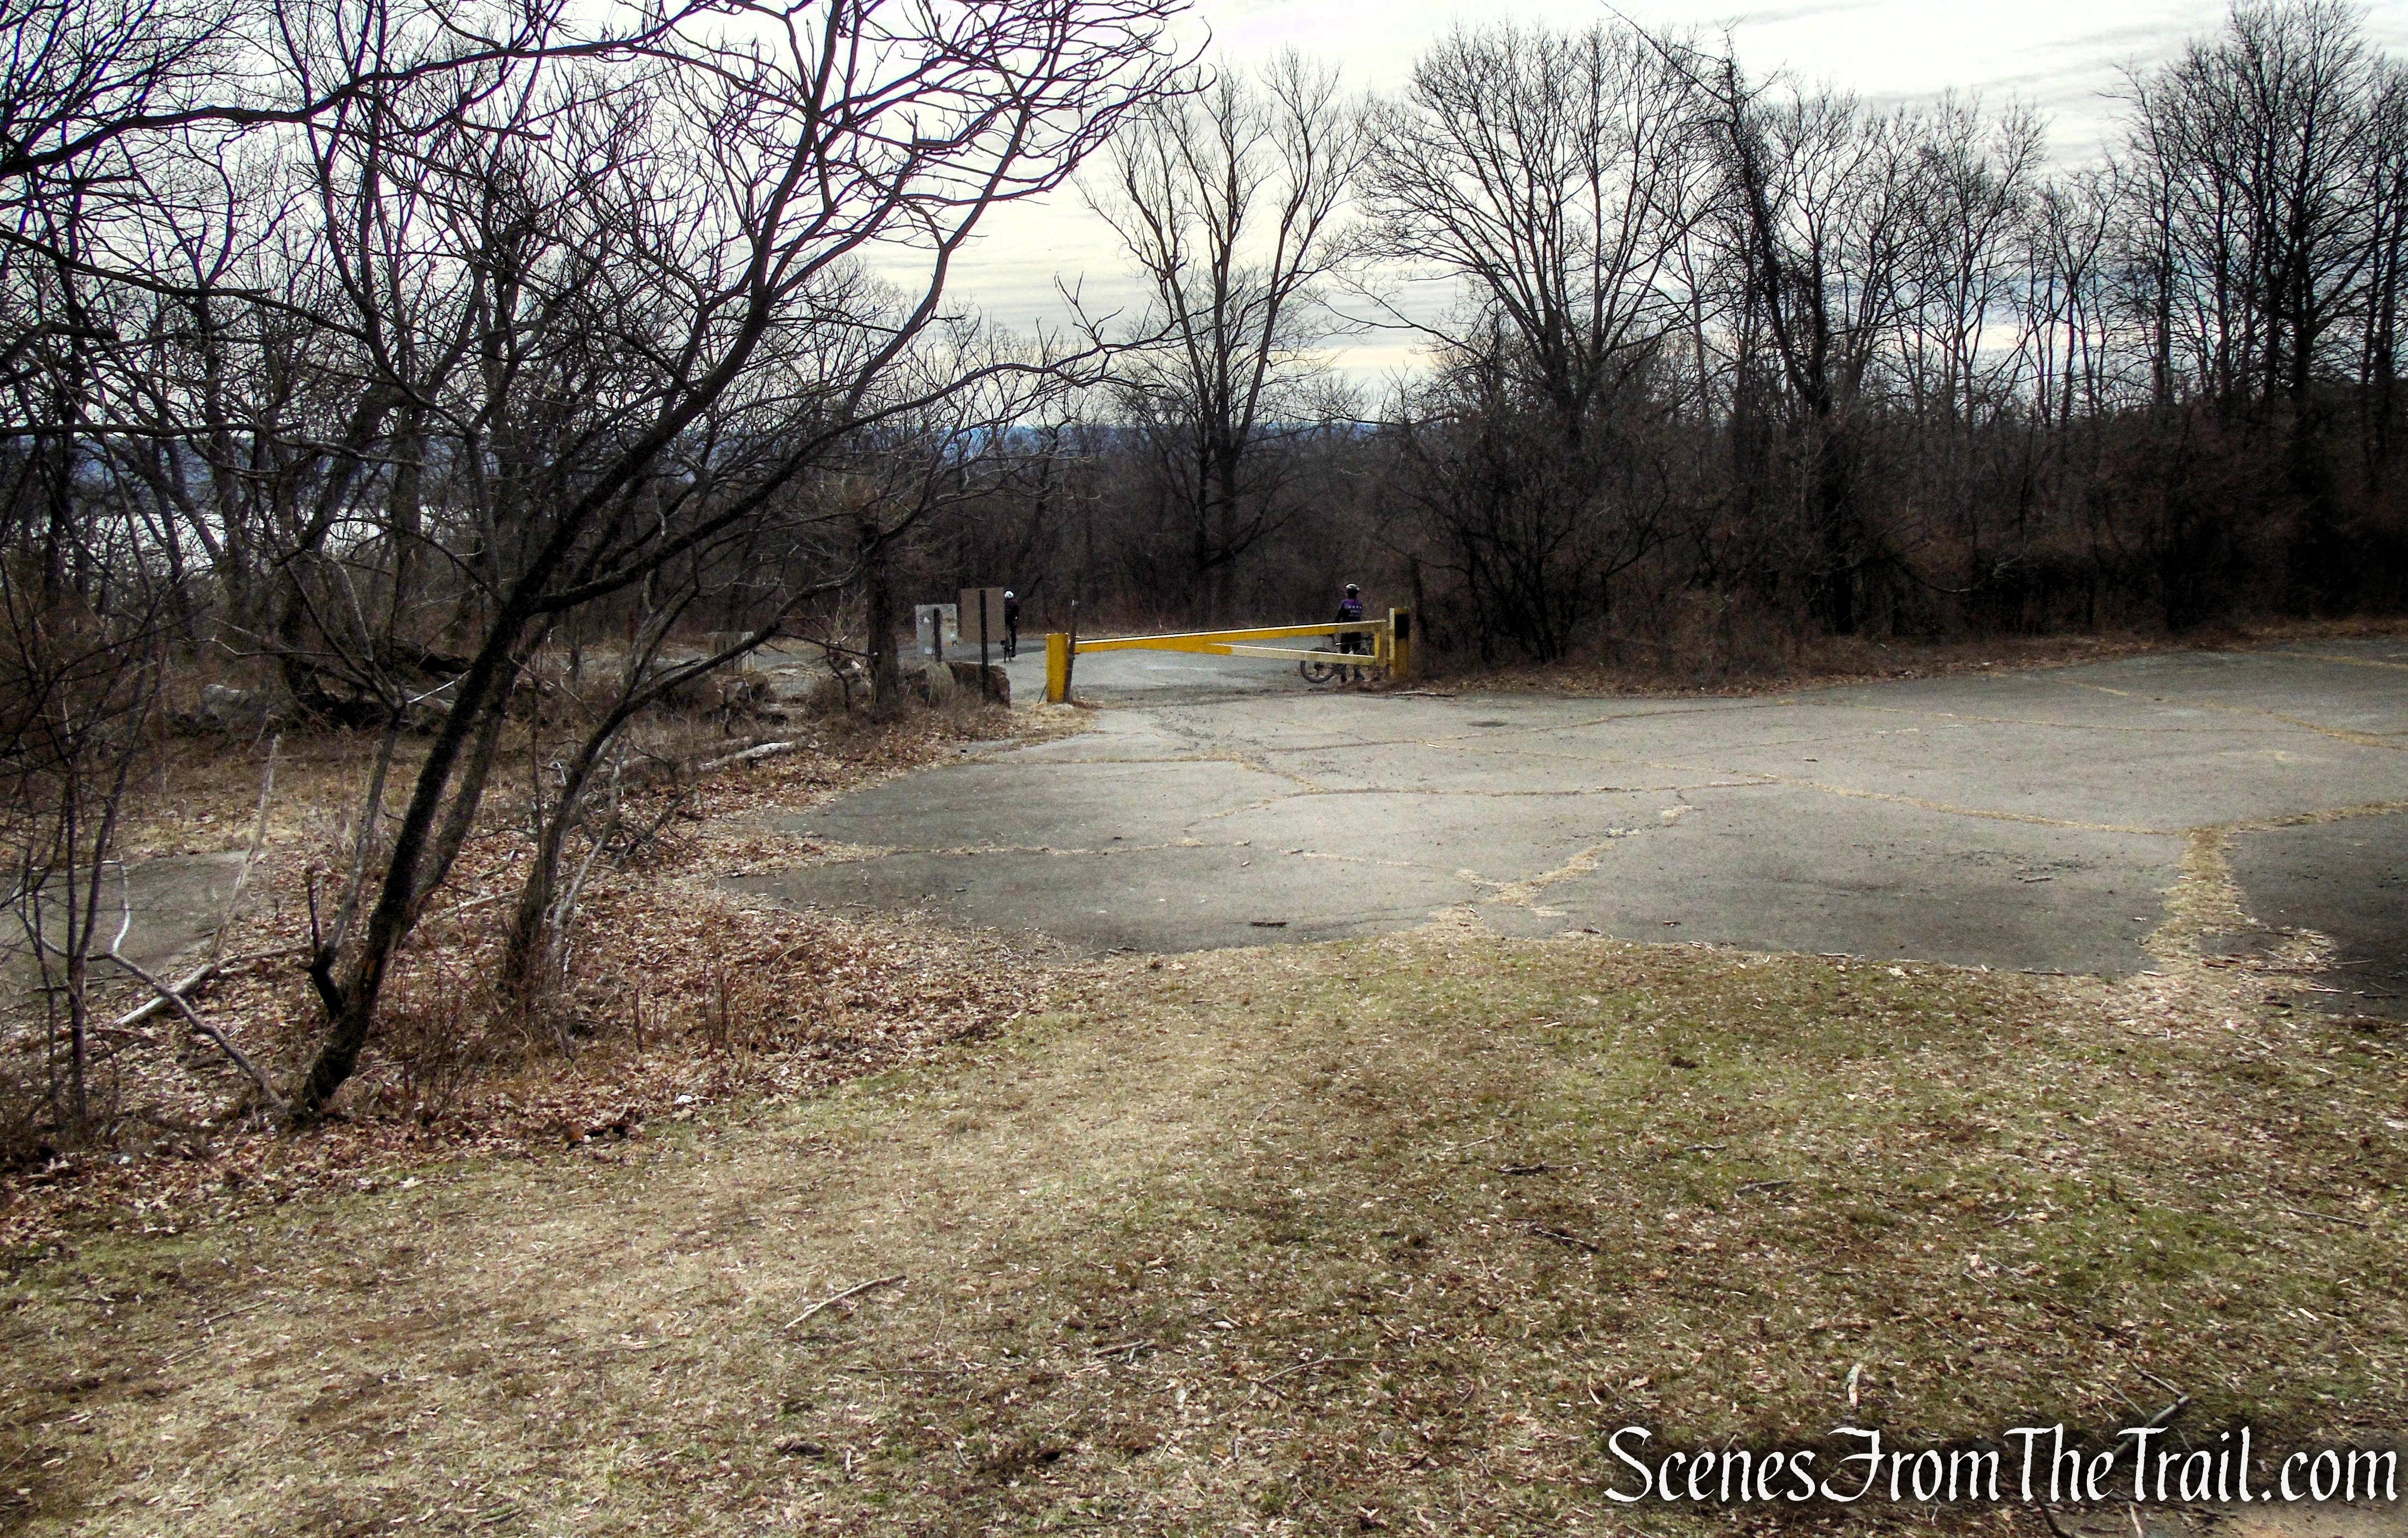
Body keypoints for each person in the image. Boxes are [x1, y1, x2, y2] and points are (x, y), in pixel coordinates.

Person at [1335, 582, 1368, 681]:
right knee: (1356, 652)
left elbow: (1339, 616)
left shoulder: (1344, 603)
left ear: (1348, 593)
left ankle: (1343, 675)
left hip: (1346, 631)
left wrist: (1332, 628)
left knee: (1344, 652)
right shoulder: (1360, 604)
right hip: (1357, 631)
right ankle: (1357, 674)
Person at [1002, 590, 1020, 659]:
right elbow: (1017, 612)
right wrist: (1016, 618)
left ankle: (1003, 642)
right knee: (1013, 633)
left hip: (1005, 620)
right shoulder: (1015, 603)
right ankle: (1013, 649)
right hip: (1012, 620)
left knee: (1002, 631)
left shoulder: (1003, 603)